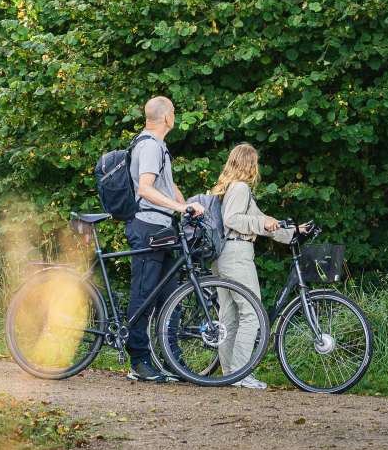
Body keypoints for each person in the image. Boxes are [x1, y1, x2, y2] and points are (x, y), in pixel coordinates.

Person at [124, 95, 203, 383]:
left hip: (163, 228)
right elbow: (145, 188)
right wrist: (180, 208)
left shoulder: (159, 147)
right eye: (175, 113)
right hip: (147, 226)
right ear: (168, 118)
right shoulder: (148, 146)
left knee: (171, 296)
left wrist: (188, 207)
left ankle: (171, 360)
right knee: (144, 295)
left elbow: (168, 187)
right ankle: (139, 360)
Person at [211, 143, 293, 389]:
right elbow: (233, 220)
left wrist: (292, 232)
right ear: (249, 164)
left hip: (223, 255)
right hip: (236, 253)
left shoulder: (227, 188)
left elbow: (260, 220)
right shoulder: (241, 189)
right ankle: (240, 373)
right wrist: (263, 224)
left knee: (229, 316)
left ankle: (229, 374)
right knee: (252, 314)